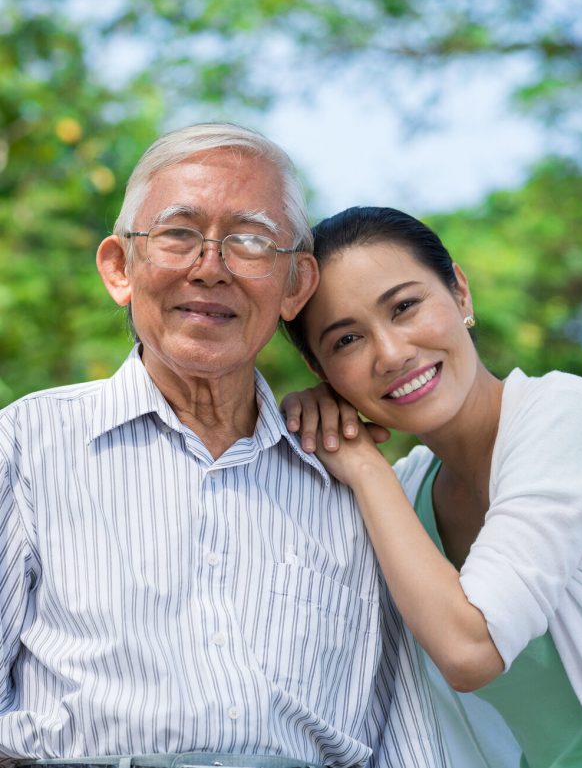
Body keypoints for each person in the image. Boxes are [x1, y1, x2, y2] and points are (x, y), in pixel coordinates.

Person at [0, 130, 449, 768]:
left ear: (296, 284)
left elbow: (404, 737)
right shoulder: (24, 447)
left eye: (251, 240)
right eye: (179, 234)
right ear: (121, 268)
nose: (210, 267)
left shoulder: (352, 479)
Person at [282, 205, 582, 768]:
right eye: (347, 340)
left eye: (405, 307)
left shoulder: (566, 415)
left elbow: (470, 649)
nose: (391, 353)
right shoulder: (406, 495)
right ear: (322, 373)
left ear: (459, 292)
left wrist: (362, 464)